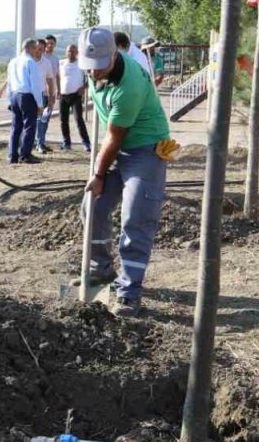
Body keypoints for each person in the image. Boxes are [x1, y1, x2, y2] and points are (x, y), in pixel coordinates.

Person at [80, 27, 172, 316]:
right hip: (117, 145)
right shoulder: (96, 68)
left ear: (114, 54)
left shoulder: (128, 84)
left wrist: (97, 175)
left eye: (99, 68)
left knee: (135, 216)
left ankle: (129, 290)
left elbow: (114, 137)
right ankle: (101, 269)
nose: (93, 74)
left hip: (145, 149)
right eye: (89, 68)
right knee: (91, 205)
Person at [0, 39, 46, 164]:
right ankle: (25, 154)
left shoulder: (13, 62)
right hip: (27, 96)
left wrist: (9, 99)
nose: (37, 50)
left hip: (14, 95)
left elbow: (9, 82)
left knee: (15, 126)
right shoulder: (31, 62)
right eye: (35, 48)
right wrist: (40, 104)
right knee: (29, 126)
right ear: (30, 48)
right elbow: (36, 85)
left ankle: (12, 155)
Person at [58, 43, 91, 152]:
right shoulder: (61, 63)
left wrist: (84, 87)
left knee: (78, 119)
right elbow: (57, 77)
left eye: (72, 51)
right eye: (68, 51)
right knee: (63, 120)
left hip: (76, 96)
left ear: (77, 53)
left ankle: (86, 143)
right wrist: (58, 90)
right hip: (63, 96)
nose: (70, 53)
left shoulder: (81, 64)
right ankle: (66, 142)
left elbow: (90, 78)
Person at [35, 35, 60, 154]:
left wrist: (56, 91)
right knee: (39, 120)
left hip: (50, 93)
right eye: (47, 43)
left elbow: (55, 76)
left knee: (45, 120)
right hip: (40, 93)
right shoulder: (38, 58)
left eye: (51, 43)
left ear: (55, 44)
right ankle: (38, 143)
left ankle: (42, 142)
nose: (49, 45)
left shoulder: (55, 59)